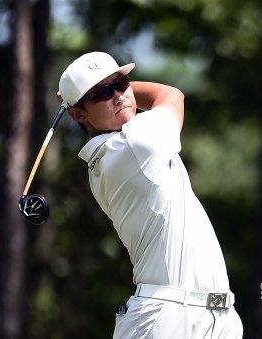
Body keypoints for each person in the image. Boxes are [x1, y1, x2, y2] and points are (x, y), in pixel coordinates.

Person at [58, 51, 243, 338]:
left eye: (121, 83)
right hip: (167, 317)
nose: (118, 96)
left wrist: (88, 95)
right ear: (79, 115)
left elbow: (146, 99)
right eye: (101, 94)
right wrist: (118, 90)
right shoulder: (132, 145)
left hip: (215, 316)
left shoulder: (123, 146)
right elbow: (171, 95)